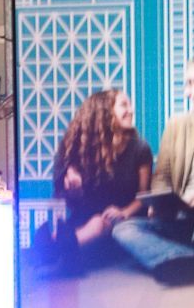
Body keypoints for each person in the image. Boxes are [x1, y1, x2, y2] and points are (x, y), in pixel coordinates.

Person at [113, 57, 194, 278]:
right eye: (186, 84)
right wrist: (160, 201)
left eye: (192, 82)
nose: (187, 92)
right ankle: (183, 259)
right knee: (124, 229)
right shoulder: (177, 125)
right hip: (182, 218)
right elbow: (162, 176)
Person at [49, 88, 152, 264]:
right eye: (123, 105)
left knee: (98, 224)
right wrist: (75, 189)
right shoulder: (80, 150)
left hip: (123, 224)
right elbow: (74, 202)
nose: (131, 110)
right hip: (86, 220)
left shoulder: (140, 149)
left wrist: (123, 212)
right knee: (76, 229)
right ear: (105, 112)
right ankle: (59, 249)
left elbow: (145, 198)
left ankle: (57, 251)